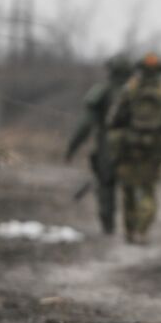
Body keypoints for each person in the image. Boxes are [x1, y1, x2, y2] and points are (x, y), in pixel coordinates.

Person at [106, 53, 161, 244]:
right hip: (153, 150)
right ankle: (143, 230)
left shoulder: (129, 90)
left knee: (128, 191)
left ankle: (130, 231)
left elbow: (114, 119)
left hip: (128, 147)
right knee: (148, 190)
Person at [65, 54, 133, 234]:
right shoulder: (138, 92)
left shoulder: (103, 91)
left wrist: (72, 147)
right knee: (133, 186)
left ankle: (108, 227)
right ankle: (134, 227)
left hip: (108, 148)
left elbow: (85, 124)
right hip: (135, 148)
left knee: (106, 185)